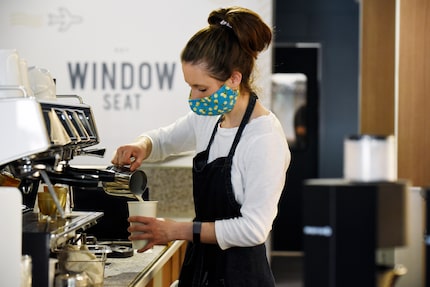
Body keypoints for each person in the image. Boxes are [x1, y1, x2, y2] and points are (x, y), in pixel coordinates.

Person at [111, 6, 291, 287]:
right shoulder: (209, 119)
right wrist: (142, 145)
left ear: (234, 78)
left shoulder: (263, 138)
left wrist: (176, 229)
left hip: (240, 277)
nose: (193, 97)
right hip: (202, 269)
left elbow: (253, 229)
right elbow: (163, 140)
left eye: (202, 89)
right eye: (190, 86)